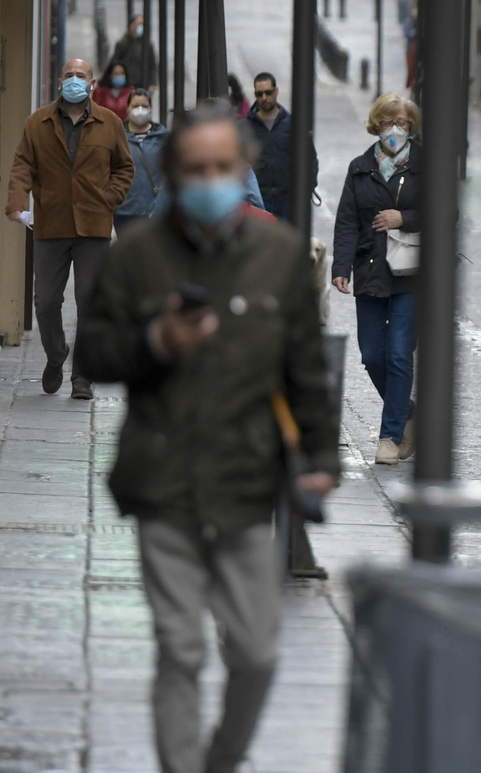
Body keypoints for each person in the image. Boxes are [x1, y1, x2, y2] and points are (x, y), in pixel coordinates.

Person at [75, 105, 338, 773]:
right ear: (173, 175)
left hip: (247, 486)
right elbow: (95, 353)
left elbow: (306, 367)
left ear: (243, 168)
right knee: (180, 648)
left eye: (223, 167)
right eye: (196, 169)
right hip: (163, 483)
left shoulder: (279, 256)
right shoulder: (138, 255)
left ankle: (220, 761)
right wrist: (156, 341)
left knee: (256, 653)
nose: (211, 180)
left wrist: (320, 457)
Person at [6, 58, 135, 400]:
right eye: (69, 75)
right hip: (51, 223)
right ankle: (56, 355)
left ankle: (82, 377)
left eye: (81, 76)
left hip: (93, 226)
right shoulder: (38, 122)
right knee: (46, 302)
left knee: (89, 302)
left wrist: (109, 198)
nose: (74, 80)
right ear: (60, 82)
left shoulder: (109, 123)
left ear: (92, 84)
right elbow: (22, 164)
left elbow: (124, 168)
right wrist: (17, 203)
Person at [332, 93, 420, 465]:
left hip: (410, 272)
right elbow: (347, 221)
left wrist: (405, 218)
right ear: (376, 125)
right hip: (369, 269)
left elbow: (446, 212)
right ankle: (408, 412)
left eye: (401, 122)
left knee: (399, 353)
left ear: (410, 126)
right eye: (387, 122)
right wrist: (340, 267)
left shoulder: (424, 165)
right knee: (372, 355)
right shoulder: (359, 167)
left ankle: (390, 436)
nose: (394, 129)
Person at [245, 71, 315, 222]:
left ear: (276, 91)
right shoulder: (245, 127)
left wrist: (308, 189)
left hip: (287, 201)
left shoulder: (294, 125)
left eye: (268, 92)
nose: (264, 97)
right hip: (258, 201)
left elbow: (310, 158)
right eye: (259, 94)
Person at [115, 89, 168, 236]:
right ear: (127, 108)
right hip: (123, 211)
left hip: (155, 211)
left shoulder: (163, 138)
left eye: (144, 106)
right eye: (135, 106)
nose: (140, 110)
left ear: (151, 108)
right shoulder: (116, 136)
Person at [106, 13, 157, 93]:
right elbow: (114, 63)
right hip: (126, 85)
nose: (141, 27)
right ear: (131, 26)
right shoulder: (122, 43)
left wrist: (153, 83)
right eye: (139, 24)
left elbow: (152, 65)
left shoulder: (147, 44)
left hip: (143, 84)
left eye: (142, 24)